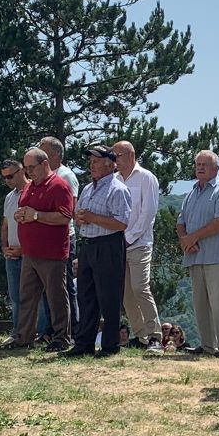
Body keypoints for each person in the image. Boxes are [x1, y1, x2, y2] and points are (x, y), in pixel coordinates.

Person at [3, 148, 74, 352]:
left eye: (32, 167)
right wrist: (21, 216)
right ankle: (24, 337)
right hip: (29, 253)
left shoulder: (59, 186)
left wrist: (35, 216)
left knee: (56, 297)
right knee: (26, 297)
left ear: (45, 164)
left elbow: (64, 216)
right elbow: (26, 211)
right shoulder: (30, 187)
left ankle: (61, 338)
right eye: (26, 168)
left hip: (51, 253)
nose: (29, 172)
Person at [64, 146, 131, 358]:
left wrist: (93, 218)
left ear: (109, 165)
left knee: (109, 296)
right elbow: (80, 214)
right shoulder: (87, 189)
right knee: (86, 295)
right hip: (89, 244)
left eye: (96, 161)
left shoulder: (117, 189)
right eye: (90, 162)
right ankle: (84, 343)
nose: (91, 165)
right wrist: (81, 217)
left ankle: (110, 345)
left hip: (109, 245)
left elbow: (122, 223)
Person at [177, 150, 219, 358]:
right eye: (198, 164)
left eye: (205, 164)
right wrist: (186, 239)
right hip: (195, 256)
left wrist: (193, 238)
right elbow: (180, 222)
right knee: (201, 304)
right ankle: (207, 346)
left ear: (216, 168)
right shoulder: (191, 193)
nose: (200, 167)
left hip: (216, 257)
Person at [112, 140, 164, 354]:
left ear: (131, 155)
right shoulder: (114, 179)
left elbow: (148, 213)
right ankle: (140, 336)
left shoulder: (146, 178)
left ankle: (155, 336)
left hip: (139, 243)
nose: (115, 160)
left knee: (140, 287)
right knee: (126, 293)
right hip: (118, 243)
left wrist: (129, 237)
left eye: (118, 155)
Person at [38, 137, 80, 338]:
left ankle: (70, 329)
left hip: (63, 239)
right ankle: (52, 328)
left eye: (42, 152)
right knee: (48, 288)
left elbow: (70, 210)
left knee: (63, 286)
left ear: (54, 155)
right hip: (45, 239)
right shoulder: (45, 177)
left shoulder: (65, 176)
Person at [0, 159, 30, 343]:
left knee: (37, 296)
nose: (8, 181)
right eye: (4, 178)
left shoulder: (33, 191)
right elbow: (5, 224)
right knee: (16, 296)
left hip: (29, 253)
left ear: (21, 171)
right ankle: (18, 333)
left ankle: (39, 332)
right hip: (11, 254)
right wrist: (4, 247)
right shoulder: (10, 197)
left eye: (10, 176)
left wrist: (23, 249)